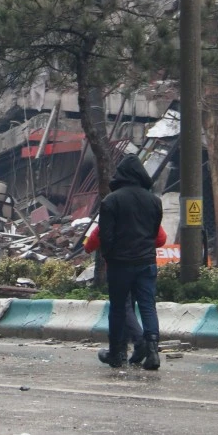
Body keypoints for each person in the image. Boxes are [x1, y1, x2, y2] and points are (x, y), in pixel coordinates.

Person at [96, 154, 163, 370]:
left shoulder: (111, 201)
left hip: (120, 264)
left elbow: (106, 237)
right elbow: (154, 233)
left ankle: (117, 354)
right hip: (146, 261)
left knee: (117, 309)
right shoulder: (154, 201)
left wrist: (110, 257)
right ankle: (153, 352)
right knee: (147, 306)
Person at [85, 222, 167, 365]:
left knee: (122, 307)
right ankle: (147, 350)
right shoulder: (146, 209)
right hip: (145, 264)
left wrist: (89, 246)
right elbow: (161, 239)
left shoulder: (115, 206)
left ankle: (133, 345)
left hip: (120, 265)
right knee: (146, 306)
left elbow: (95, 238)